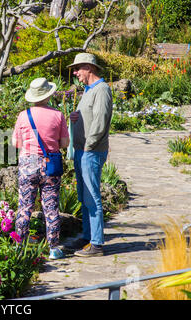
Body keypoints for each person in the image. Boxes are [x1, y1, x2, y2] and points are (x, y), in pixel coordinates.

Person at [12, 78, 70, 260]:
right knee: (51, 207)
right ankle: (53, 248)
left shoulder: (23, 115)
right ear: (49, 94)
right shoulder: (58, 115)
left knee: (24, 206)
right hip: (50, 165)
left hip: (28, 165)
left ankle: (19, 247)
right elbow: (64, 143)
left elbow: (15, 143)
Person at [65, 53, 113, 257]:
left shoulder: (102, 90)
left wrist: (89, 146)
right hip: (82, 150)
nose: (75, 73)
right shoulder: (88, 90)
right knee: (84, 196)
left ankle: (96, 244)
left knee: (92, 196)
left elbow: (101, 121)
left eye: (78, 69)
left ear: (89, 68)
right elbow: (90, 115)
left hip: (91, 151)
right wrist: (75, 117)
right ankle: (87, 237)